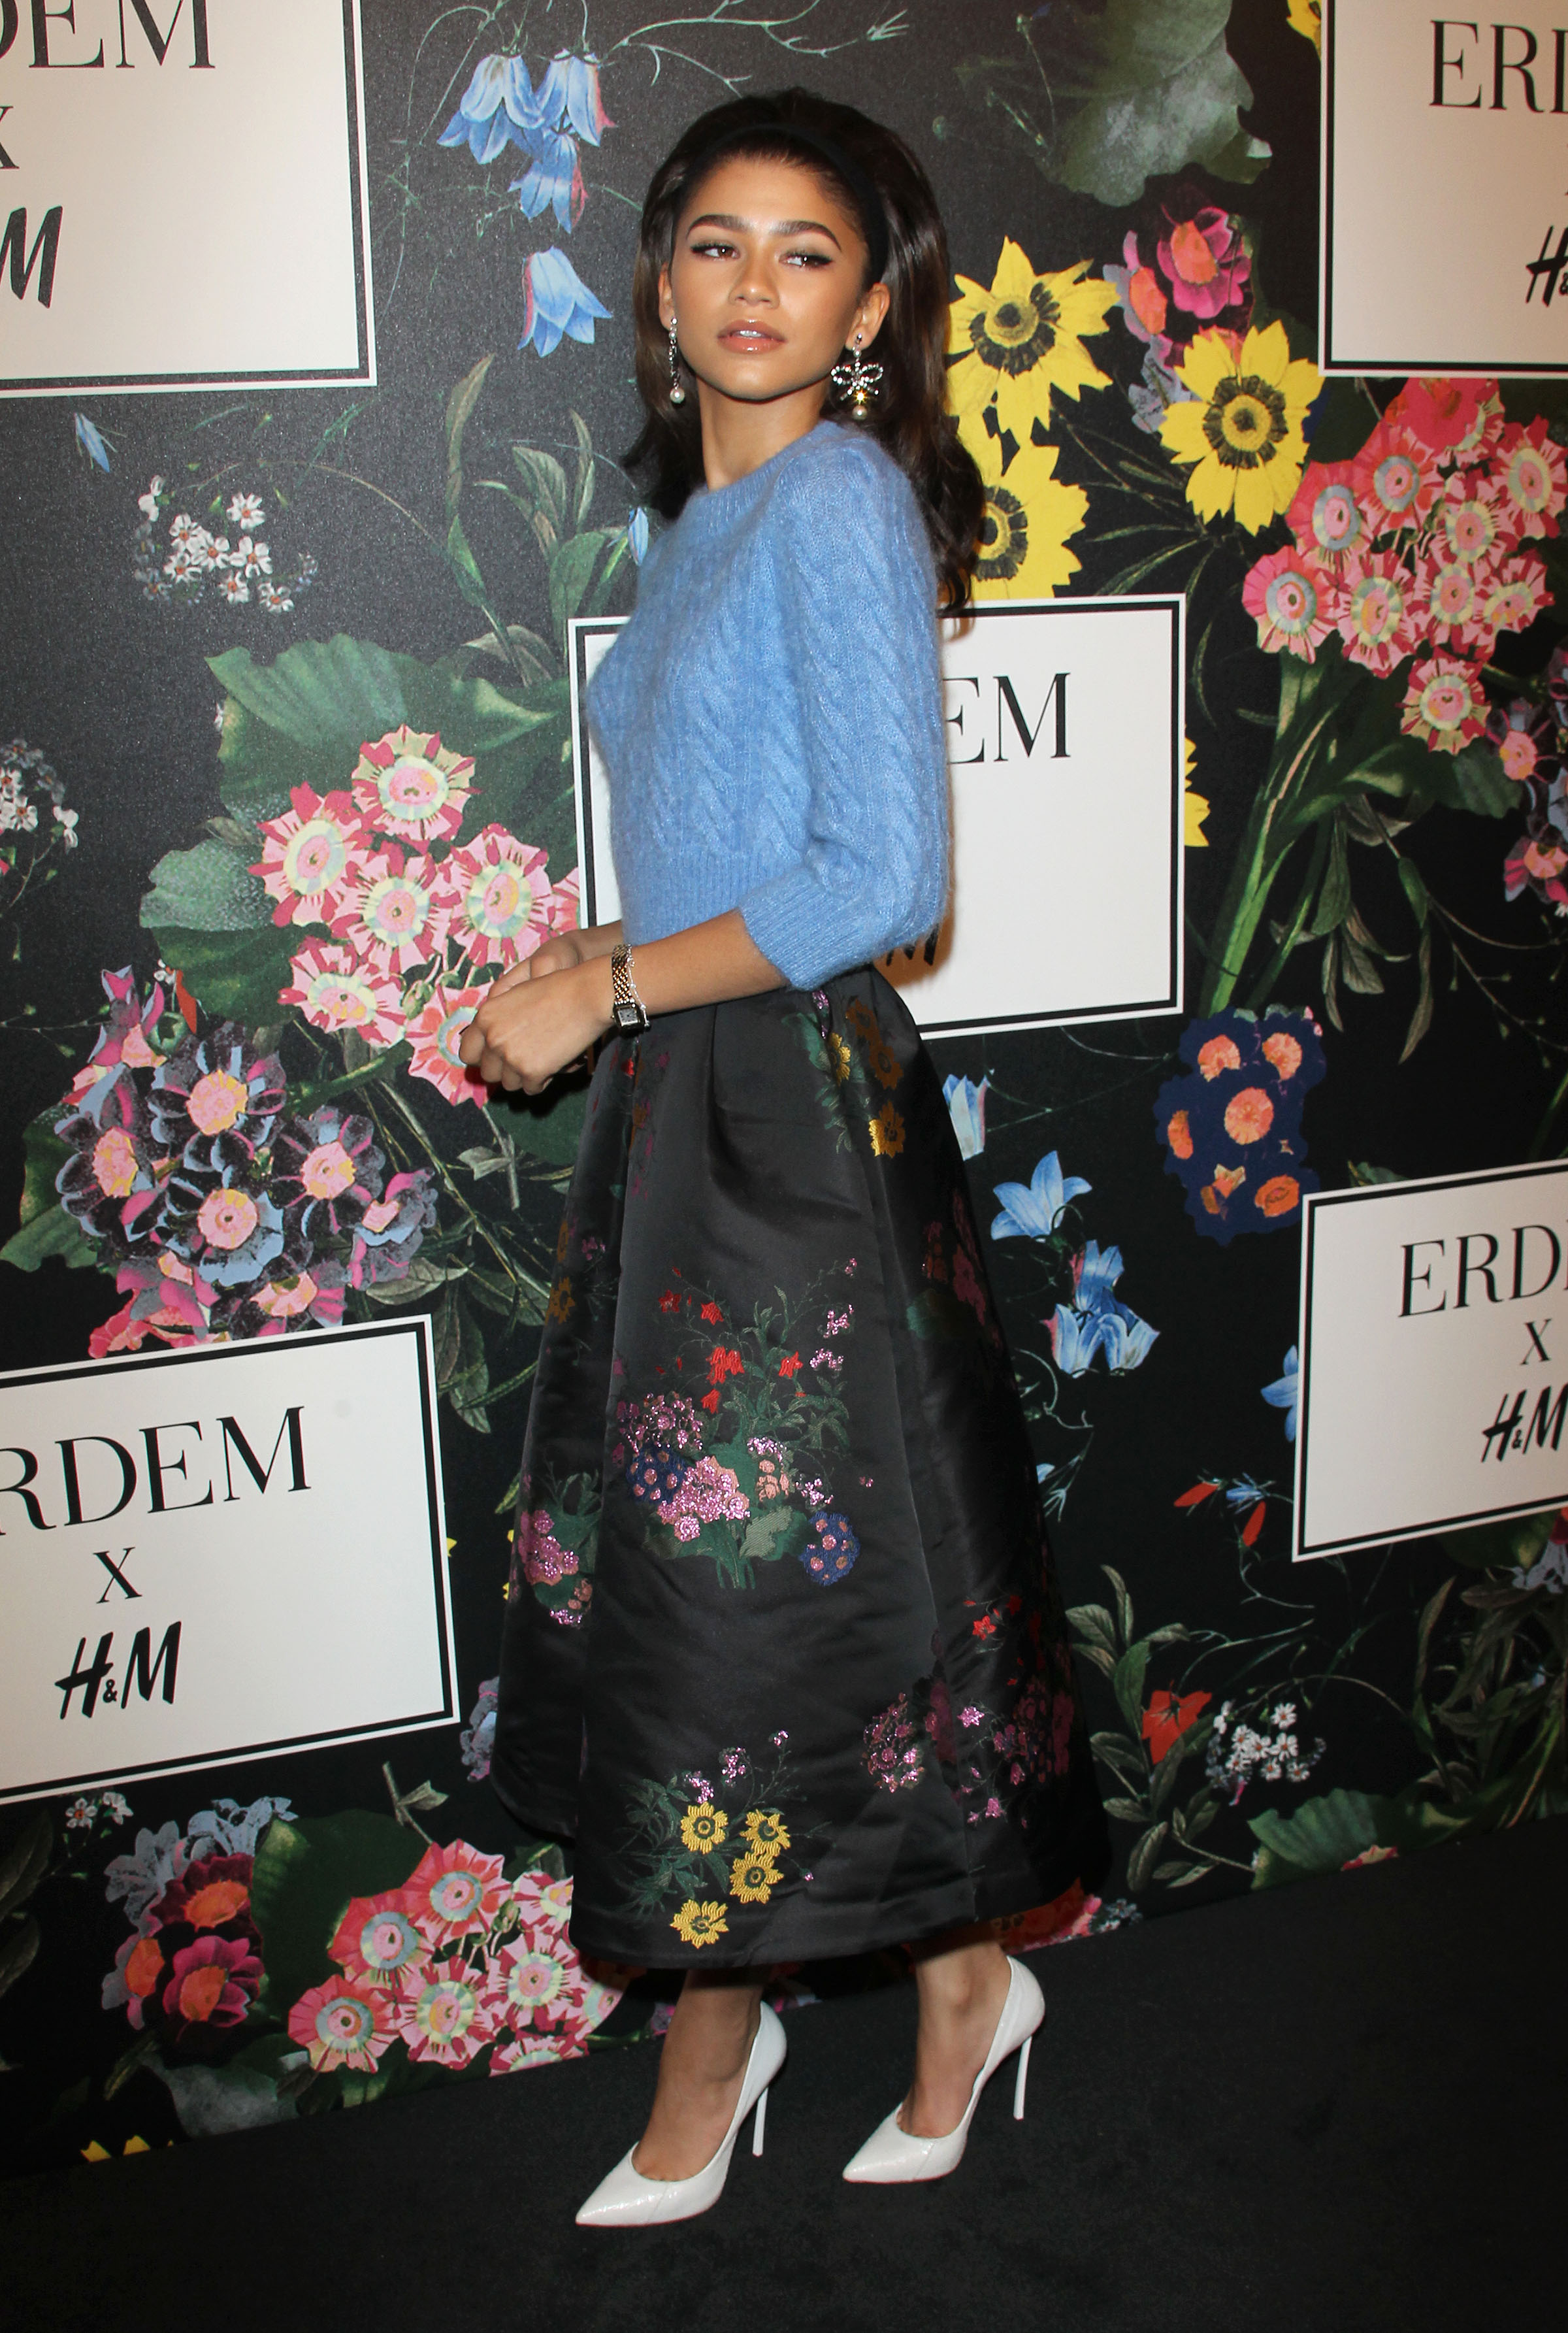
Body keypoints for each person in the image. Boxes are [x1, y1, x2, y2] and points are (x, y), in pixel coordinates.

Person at [459, 87, 1109, 2227]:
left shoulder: (835, 497)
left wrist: (617, 990)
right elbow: (723, 843)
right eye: (714, 242)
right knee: (742, 1607)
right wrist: (601, 963)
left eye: (807, 250)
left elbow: (881, 879)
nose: (755, 282)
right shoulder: (696, 528)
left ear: (871, 307)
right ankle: (822, 2007)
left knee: (757, 1604)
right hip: (694, 1102)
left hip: (790, 1127)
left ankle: (854, 2008)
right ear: (658, 287)